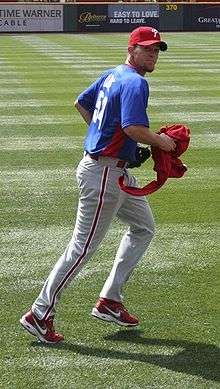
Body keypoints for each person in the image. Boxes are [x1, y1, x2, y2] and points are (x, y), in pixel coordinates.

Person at [20, 26, 176, 344]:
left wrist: (105, 138)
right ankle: (39, 313)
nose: (153, 54)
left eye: (157, 49)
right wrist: (162, 142)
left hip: (112, 169)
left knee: (143, 227)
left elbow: (81, 103)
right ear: (131, 49)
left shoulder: (112, 74)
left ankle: (110, 300)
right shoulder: (134, 81)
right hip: (104, 175)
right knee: (82, 248)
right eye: (147, 48)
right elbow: (133, 127)